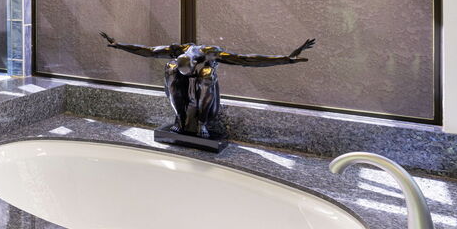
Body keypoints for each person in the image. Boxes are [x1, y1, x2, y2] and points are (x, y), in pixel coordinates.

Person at [99, 32, 315, 139]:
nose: (188, 73)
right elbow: (147, 51)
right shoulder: (179, 51)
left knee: (207, 74)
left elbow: (248, 60)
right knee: (170, 71)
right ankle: (180, 117)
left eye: (189, 69)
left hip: (207, 84)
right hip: (180, 83)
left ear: (194, 61)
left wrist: (286, 58)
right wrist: (118, 46)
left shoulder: (210, 54)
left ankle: (202, 122)